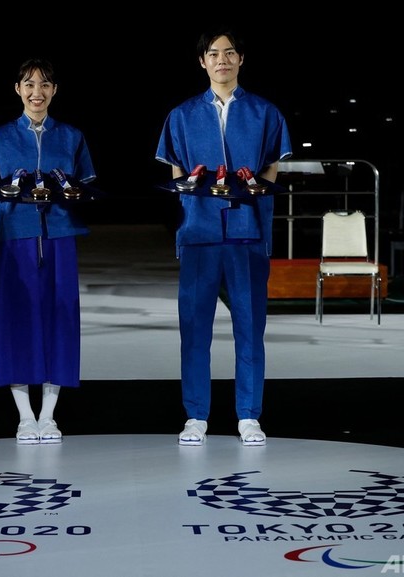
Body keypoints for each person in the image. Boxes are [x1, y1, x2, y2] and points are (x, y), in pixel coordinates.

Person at [155, 27, 292, 447]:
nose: (222, 60)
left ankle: (249, 415)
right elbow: (177, 172)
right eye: (214, 54)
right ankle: (196, 415)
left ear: (241, 59)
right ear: (202, 62)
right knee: (195, 328)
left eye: (230, 53)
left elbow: (271, 167)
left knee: (250, 327)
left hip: (248, 232)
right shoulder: (182, 115)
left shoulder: (265, 112)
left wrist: (255, 200)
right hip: (199, 232)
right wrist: (191, 213)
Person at [0, 58, 96, 445]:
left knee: (60, 318)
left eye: (44, 84)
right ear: (17, 89)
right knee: (17, 320)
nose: (36, 92)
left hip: (59, 234)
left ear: (54, 90)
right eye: (29, 84)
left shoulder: (71, 136)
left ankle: (49, 416)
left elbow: (84, 184)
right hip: (15, 237)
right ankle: (25, 417)